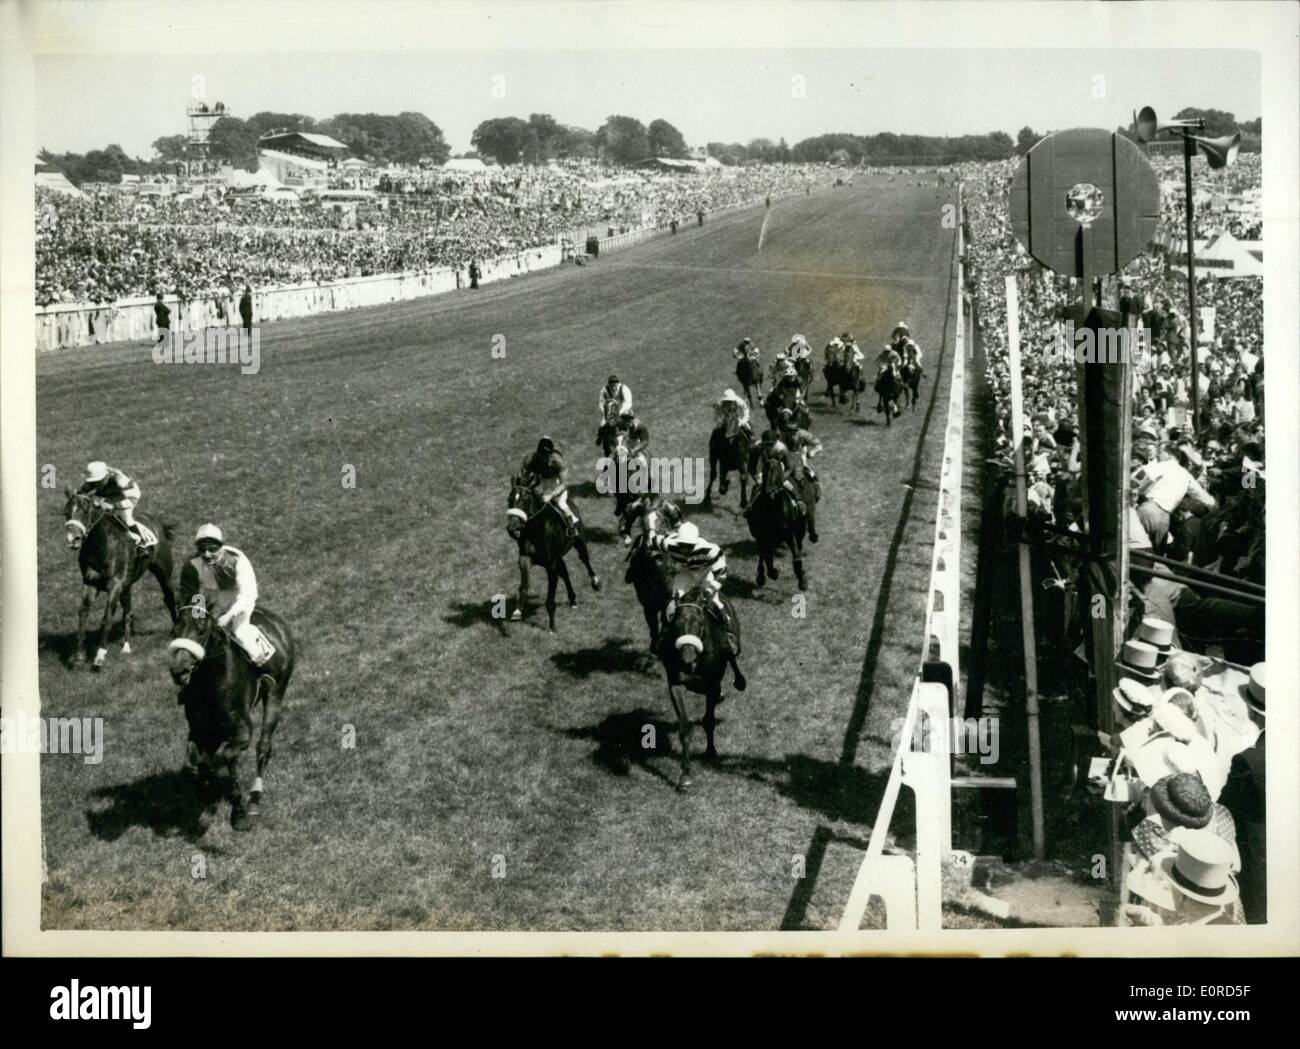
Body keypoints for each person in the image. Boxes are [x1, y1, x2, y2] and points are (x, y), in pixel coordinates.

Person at [182, 523, 276, 667]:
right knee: (197, 634)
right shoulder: (193, 565)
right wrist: (198, 617)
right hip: (212, 602)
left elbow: (248, 593)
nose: (207, 554)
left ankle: (264, 667)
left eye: (212, 549)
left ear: (221, 547)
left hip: (238, 602)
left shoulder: (237, 560)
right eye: (202, 550)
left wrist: (229, 616)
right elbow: (196, 594)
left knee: (239, 633)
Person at [646, 519, 738, 657]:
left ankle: (729, 634)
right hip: (684, 572)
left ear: (696, 542)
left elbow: (722, 573)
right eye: (682, 545)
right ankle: (664, 636)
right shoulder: (668, 543)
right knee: (672, 606)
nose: (685, 550)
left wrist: (710, 590)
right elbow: (650, 543)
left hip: (704, 572)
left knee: (716, 603)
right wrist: (658, 561)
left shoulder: (710, 550)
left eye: (689, 546)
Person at [79, 461, 149, 547]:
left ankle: (142, 542)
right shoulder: (93, 479)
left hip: (124, 496)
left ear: (106, 476)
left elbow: (133, 499)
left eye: (99, 481)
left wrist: (113, 506)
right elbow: (81, 493)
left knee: (125, 518)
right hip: (105, 494)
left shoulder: (121, 480)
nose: (96, 484)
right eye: (94, 482)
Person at [777, 408, 822, 542]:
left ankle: (816, 494)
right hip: (785, 461)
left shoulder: (804, 434)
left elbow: (819, 444)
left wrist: (812, 452)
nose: (791, 436)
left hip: (800, 460)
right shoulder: (780, 437)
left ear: (797, 431)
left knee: (812, 476)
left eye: (793, 433)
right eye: (788, 433)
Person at [517, 436, 579, 531]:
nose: (545, 457)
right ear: (538, 452)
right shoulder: (530, 459)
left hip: (555, 483)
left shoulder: (559, 461)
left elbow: (564, 483)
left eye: (547, 455)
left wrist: (551, 495)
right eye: (542, 454)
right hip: (540, 480)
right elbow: (522, 475)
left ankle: (572, 528)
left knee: (561, 504)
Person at [748, 428, 806, 518]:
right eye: (766, 445)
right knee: (757, 488)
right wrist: (756, 478)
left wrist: (781, 478)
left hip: (780, 470)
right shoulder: (756, 448)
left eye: (771, 445)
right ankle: (750, 506)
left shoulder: (782, 448)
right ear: (762, 443)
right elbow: (751, 467)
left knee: (787, 484)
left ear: (776, 442)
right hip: (763, 470)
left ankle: (798, 501)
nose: (768, 447)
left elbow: (789, 467)